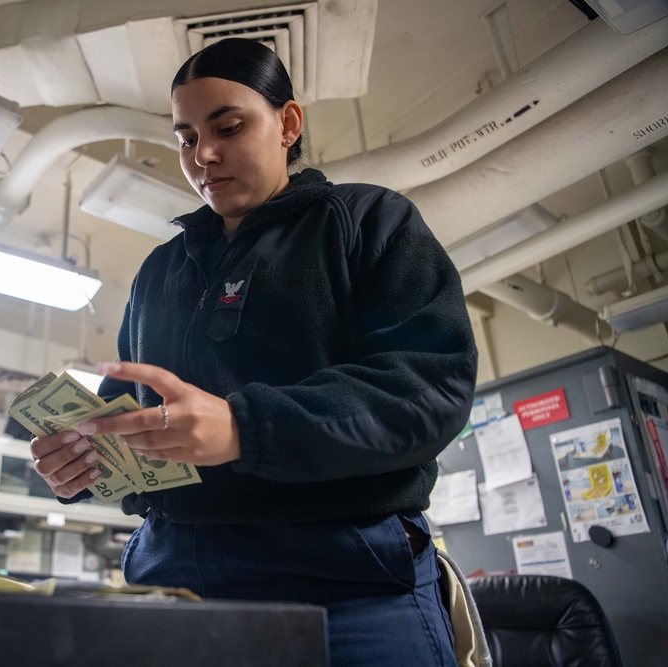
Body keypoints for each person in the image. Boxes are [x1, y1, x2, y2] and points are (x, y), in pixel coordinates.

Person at [30, 37, 478, 666]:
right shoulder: (161, 271)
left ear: (288, 123)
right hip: (174, 580)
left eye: (228, 126)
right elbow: (130, 414)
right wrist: (83, 459)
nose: (203, 155)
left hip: (345, 586)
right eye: (186, 138)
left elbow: (430, 391)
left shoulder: (368, 221)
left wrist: (244, 427)